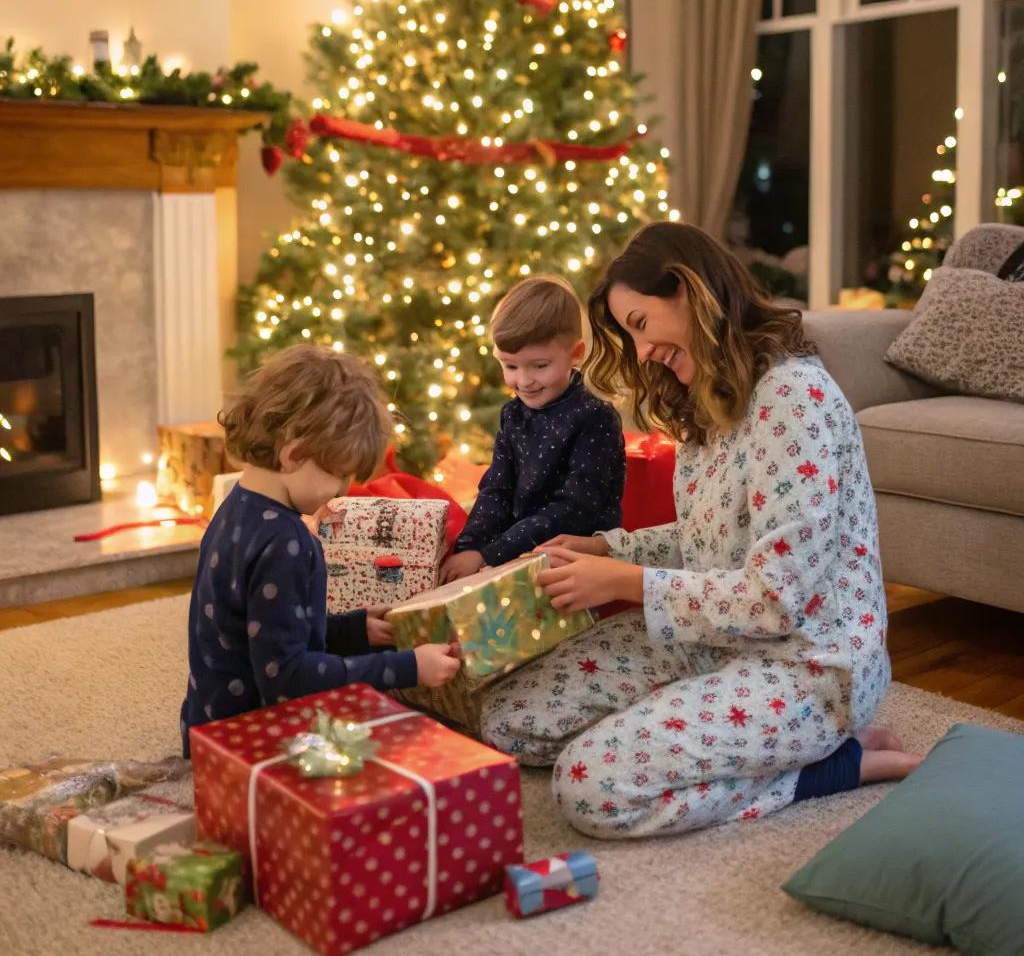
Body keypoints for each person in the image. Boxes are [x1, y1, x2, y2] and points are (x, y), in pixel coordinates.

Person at [479, 224, 919, 838]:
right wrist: (608, 546)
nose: (638, 353)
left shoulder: (793, 399)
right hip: (705, 639)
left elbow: (776, 599)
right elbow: (702, 538)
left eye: (639, 324)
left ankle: (833, 761)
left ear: (688, 293)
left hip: (808, 664)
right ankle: (700, 731)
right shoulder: (705, 402)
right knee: (508, 719)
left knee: (592, 788)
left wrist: (627, 581)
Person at [180, 345, 459, 753]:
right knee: (405, 741)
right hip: (253, 746)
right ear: (294, 455)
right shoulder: (286, 541)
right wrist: (408, 667)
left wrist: (350, 629)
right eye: (339, 475)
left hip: (210, 727)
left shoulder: (234, 505)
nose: (344, 492)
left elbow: (267, 628)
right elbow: (289, 679)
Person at [440, 275, 625, 582]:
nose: (524, 381)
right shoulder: (513, 414)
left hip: (574, 563)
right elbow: (496, 490)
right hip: (513, 555)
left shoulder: (594, 417)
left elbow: (576, 509)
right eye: (511, 366)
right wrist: (470, 547)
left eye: (540, 366)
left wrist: (492, 553)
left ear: (576, 354)